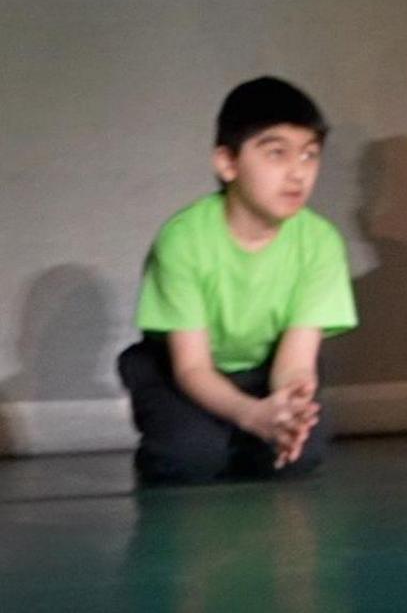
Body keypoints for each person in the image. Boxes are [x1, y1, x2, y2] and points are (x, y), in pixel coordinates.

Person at [122, 77, 354, 485]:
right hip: (184, 372)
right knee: (191, 459)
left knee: (297, 455)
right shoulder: (185, 239)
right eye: (276, 154)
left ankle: (249, 439)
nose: (297, 174)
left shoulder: (320, 242)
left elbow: (297, 359)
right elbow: (191, 366)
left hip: (264, 367)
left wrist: (289, 404)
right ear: (228, 163)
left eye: (309, 156)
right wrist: (250, 415)